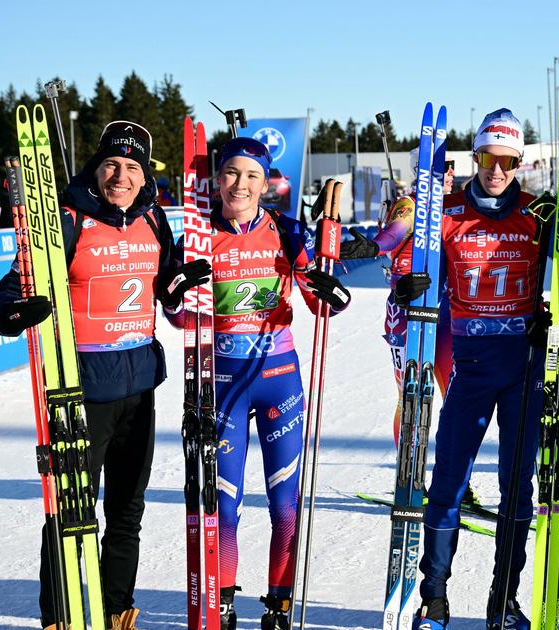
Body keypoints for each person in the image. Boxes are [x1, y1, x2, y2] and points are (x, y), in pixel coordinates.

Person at [0, 121, 210, 630]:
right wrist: (12, 312)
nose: (121, 176)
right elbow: (10, 289)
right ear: (95, 167)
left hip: (140, 385)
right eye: (112, 164)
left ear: (144, 174)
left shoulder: (154, 219)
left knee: (127, 511)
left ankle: (115, 610)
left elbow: (164, 287)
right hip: (81, 387)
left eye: (132, 167)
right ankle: (60, 616)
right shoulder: (67, 221)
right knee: (70, 512)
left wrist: (176, 286)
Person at [401, 108, 546, 630]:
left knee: (517, 489)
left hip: (524, 373)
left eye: (508, 160)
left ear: (519, 161)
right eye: (489, 157)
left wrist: (557, 313)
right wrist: (408, 284)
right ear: (476, 156)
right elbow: (410, 263)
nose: (497, 169)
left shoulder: (537, 215)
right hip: (469, 369)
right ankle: (433, 596)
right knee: (446, 484)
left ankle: (502, 601)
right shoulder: (447, 213)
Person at [204, 137, 352, 630]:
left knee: (284, 501)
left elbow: (319, 304)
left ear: (265, 183)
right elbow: (184, 321)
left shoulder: (287, 231)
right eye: (231, 173)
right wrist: (178, 294)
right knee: (224, 502)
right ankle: (221, 601)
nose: (240, 185)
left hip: (279, 378)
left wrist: (327, 290)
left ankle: (280, 605)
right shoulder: (200, 233)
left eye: (251, 176)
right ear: (216, 179)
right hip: (222, 381)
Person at [339, 150, 456, 444]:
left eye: (452, 167)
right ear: (424, 172)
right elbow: (394, 232)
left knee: (456, 400)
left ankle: (453, 480)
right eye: (445, 168)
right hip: (407, 312)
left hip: (446, 314)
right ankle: (406, 480)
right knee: (410, 397)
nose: (452, 174)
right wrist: (375, 247)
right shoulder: (409, 205)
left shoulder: (452, 207)